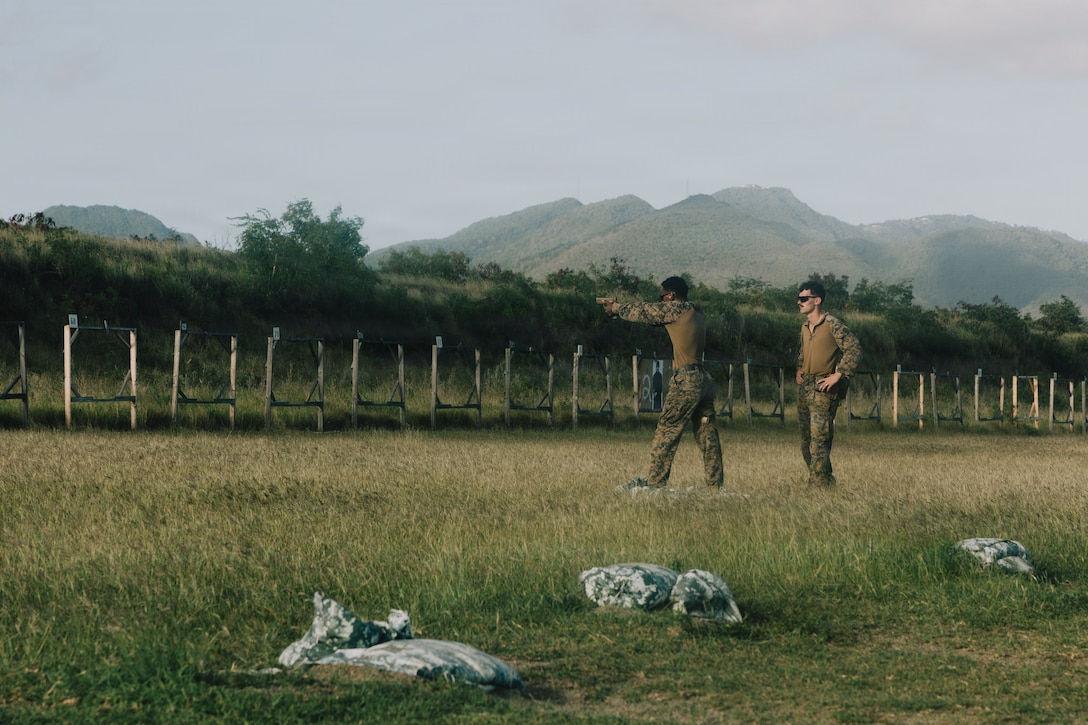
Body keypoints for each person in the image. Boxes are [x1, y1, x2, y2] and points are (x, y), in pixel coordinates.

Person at [601, 277, 724, 492]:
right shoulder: (696, 311)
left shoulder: (677, 309)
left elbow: (646, 311)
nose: (662, 302)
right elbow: (655, 317)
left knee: (667, 432)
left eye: (663, 297)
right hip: (703, 378)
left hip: (685, 380)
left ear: (671, 296)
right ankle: (714, 485)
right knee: (707, 434)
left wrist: (617, 308)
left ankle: (656, 484)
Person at [794, 280, 862, 488]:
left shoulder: (832, 324)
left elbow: (854, 349)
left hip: (824, 390)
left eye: (804, 298)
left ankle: (816, 487)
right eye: (799, 298)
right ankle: (825, 481)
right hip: (806, 387)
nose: (799, 302)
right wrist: (800, 367)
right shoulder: (805, 327)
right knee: (806, 443)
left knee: (819, 442)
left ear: (817, 300)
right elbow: (803, 351)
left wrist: (839, 374)